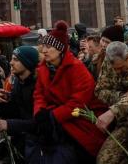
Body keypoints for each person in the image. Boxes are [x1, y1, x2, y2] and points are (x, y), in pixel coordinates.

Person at [29, 21, 106, 163]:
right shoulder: (43, 68)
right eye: (43, 46)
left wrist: (52, 116)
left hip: (80, 119)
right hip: (56, 117)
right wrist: (39, 113)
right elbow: (39, 95)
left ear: (60, 50)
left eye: (48, 46)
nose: (44, 50)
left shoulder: (77, 68)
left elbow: (78, 101)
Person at [0, 45, 40, 156]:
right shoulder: (18, 82)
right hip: (22, 142)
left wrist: (10, 125)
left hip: (39, 146)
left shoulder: (39, 86)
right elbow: (14, 112)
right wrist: (0, 99)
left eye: (16, 59)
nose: (11, 63)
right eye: (12, 59)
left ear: (27, 63)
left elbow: (39, 123)